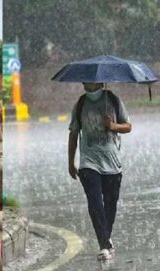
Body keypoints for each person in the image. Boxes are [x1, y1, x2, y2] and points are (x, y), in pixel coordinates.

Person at [68, 83, 132, 261]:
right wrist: (70, 162)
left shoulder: (113, 100)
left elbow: (128, 126)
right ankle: (104, 245)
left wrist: (112, 126)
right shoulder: (80, 104)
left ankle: (106, 239)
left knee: (110, 205)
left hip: (112, 164)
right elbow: (73, 133)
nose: (84, 83)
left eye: (88, 79)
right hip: (89, 163)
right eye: (83, 80)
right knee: (95, 202)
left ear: (99, 82)